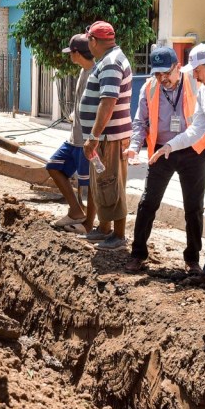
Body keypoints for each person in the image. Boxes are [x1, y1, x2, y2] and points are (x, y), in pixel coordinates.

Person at [124, 46, 205, 274]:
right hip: (161, 151)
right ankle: (138, 254)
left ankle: (192, 259)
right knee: (148, 203)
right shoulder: (149, 88)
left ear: (178, 67)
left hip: (193, 150)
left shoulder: (195, 83)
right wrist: (134, 147)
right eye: (157, 74)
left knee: (193, 207)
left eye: (166, 73)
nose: (162, 78)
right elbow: (140, 121)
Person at [78, 21, 133, 251]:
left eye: (88, 40)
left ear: (93, 40)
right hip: (105, 137)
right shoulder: (110, 60)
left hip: (109, 138)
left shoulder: (111, 63)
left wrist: (94, 136)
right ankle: (104, 228)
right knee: (103, 183)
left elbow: (107, 102)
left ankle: (118, 235)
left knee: (111, 184)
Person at [48, 34, 96, 234]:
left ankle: (89, 224)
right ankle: (76, 211)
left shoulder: (94, 75)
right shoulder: (83, 72)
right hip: (74, 138)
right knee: (53, 166)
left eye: (71, 52)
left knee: (89, 184)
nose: (70, 56)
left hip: (85, 140)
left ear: (77, 53)